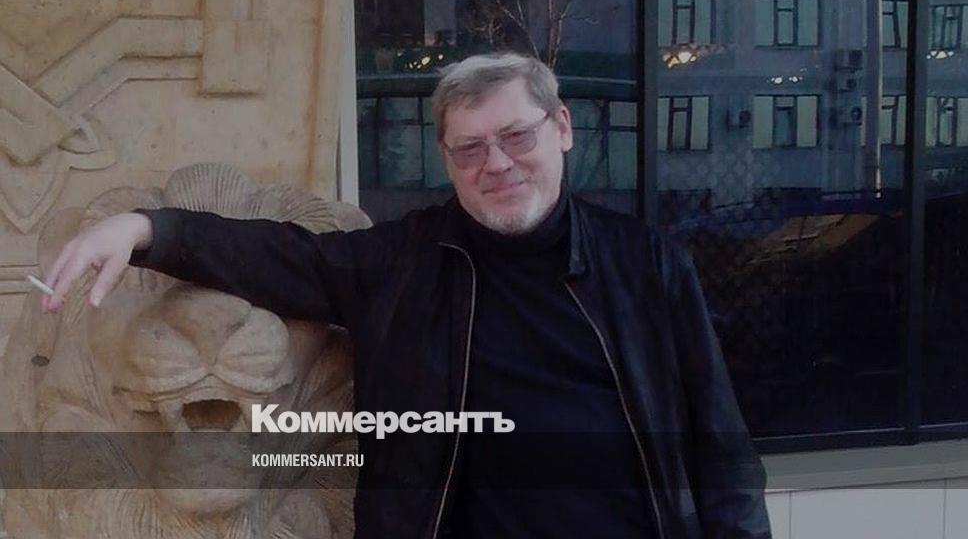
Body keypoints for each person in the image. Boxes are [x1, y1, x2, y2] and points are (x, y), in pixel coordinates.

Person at [41, 52, 771, 538]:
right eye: (470, 148)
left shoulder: (648, 265)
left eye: (516, 136)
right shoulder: (403, 262)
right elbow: (278, 254)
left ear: (562, 129)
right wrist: (148, 229)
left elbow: (722, 449)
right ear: (447, 158)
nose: (497, 164)